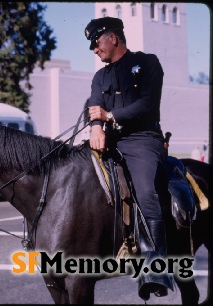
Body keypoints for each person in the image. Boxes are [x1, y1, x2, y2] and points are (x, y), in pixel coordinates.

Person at [84, 17, 173, 300]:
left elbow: (147, 103)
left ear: (112, 38)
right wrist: (96, 127)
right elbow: (94, 104)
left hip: (142, 140)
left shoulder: (147, 63)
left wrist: (108, 116)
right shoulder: (100, 76)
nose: (94, 50)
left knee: (146, 192)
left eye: (96, 43)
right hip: (110, 142)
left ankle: (155, 270)